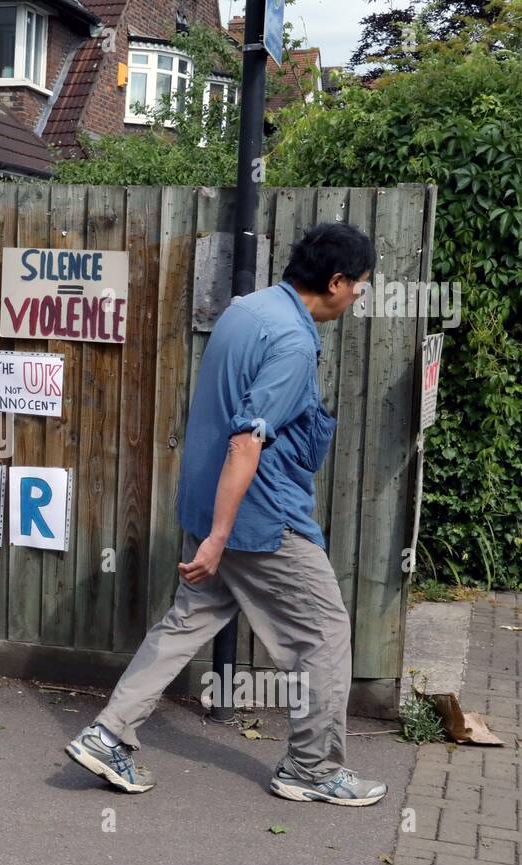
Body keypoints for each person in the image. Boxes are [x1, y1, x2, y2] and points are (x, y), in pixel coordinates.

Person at [65, 222, 388, 807]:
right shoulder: (292, 341)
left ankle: (106, 734)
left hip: (213, 502)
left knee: (188, 620)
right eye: (360, 285)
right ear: (336, 282)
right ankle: (311, 769)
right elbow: (246, 441)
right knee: (326, 634)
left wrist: (213, 530)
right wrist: (219, 536)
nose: (361, 295)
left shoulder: (249, 310)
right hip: (260, 520)